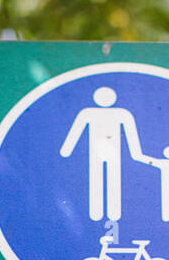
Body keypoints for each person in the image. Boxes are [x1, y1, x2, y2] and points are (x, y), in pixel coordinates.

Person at [58, 86, 145, 222]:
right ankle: (97, 214)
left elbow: (131, 134)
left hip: (113, 153)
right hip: (96, 152)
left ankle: (112, 214)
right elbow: (75, 132)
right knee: (97, 179)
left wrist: (136, 153)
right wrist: (66, 149)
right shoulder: (88, 113)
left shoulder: (121, 114)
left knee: (111, 179)